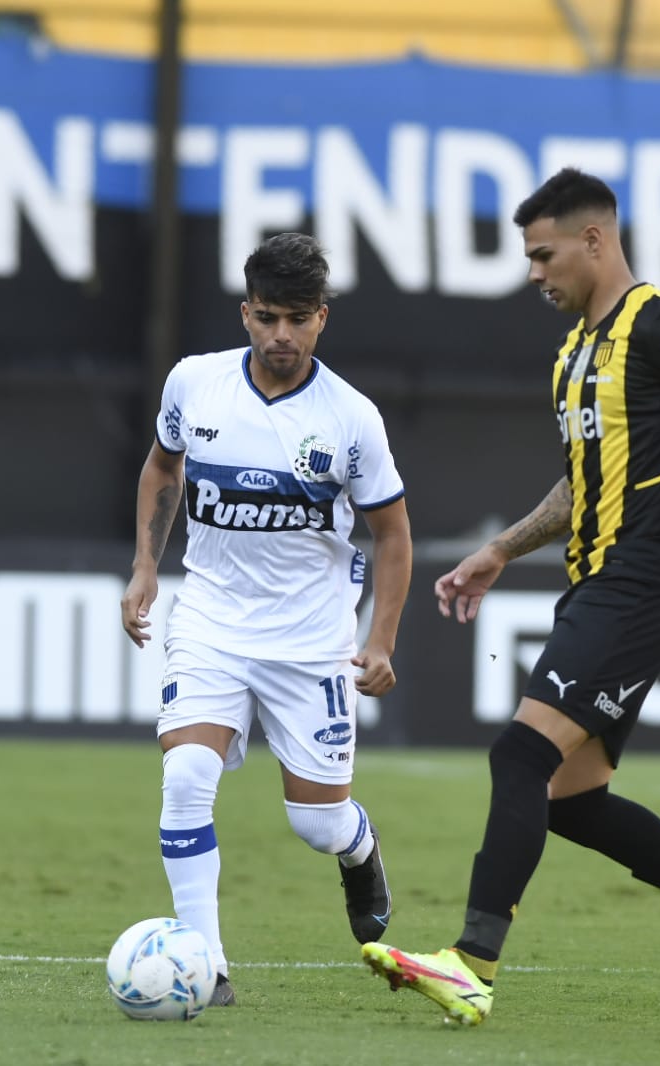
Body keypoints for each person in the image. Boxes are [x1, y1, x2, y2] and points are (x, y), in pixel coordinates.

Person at [359, 168, 660, 1025]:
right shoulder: (575, 353)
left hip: (644, 580)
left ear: (594, 240)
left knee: (518, 756)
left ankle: (471, 962)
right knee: (570, 799)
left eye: (543, 253)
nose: (533, 273)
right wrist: (496, 550)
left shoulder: (659, 325)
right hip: (593, 583)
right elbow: (577, 487)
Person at [120, 232, 412, 1008]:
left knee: (314, 825)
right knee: (185, 778)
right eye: (266, 317)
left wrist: (378, 638)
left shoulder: (350, 417)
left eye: (297, 320)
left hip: (311, 639)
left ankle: (358, 847)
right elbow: (161, 464)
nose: (280, 336)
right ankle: (205, 965)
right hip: (210, 620)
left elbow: (392, 534)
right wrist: (148, 564)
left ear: (322, 318)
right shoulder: (194, 385)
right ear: (244, 313)